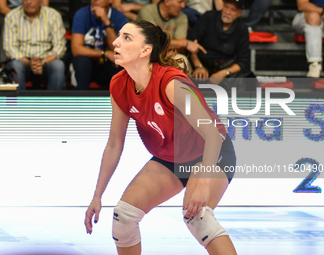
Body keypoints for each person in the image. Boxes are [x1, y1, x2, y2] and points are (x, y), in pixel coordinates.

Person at [84, 20, 237, 255]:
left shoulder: (171, 84)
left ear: (145, 51)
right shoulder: (118, 84)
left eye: (126, 38)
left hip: (209, 153)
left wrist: (203, 183)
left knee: (199, 219)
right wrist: (97, 195)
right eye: (119, 37)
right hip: (170, 157)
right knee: (123, 217)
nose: (115, 42)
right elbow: (115, 144)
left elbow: (213, 135)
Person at [188, 0, 255, 90]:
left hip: (225, 68)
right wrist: (198, 66)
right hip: (202, 65)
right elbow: (190, 43)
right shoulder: (209, 17)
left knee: (249, 80)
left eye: (233, 10)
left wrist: (224, 73)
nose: (227, 12)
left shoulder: (241, 28)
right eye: (226, 7)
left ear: (239, 13)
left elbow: (243, 61)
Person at [3, 0, 66, 90]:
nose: (28, 2)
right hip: (23, 62)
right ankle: (20, 103)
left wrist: (42, 62)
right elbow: (10, 48)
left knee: (58, 65)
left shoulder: (53, 15)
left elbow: (60, 46)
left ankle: (53, 103)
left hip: (46, 62)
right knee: (15, 65)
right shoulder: (12, 16)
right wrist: (28, 63)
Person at [70, 0, 128, 90]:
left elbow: (120, 49)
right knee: (81, 62)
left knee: (121, 65)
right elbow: (76, 49)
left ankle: (118, 102)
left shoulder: (119, 18)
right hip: (88, 63)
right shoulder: (81, 14)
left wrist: (106, 22)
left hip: (108, 65)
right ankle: (80, 101)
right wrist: (105, 53)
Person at [136, 0, 206, 57]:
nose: (183, 6)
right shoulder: (147, 12)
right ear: (167, 1)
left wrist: (179, 44)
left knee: (181, 59)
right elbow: (153, 42)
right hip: (145, 54)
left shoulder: (182, 17)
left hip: (168, 55)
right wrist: (186, 43)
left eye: (184, 2)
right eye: (180, 2)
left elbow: (180, 47)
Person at [0, 0, 49, 64]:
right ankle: (4, 64)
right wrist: (17, 17)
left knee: (43, 21)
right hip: (9, 11)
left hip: (35, 10)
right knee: (6, 24)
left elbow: (45, 5)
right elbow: (2, 8)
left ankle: (40, 61)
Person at [292, 0, 324, 78]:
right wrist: (322, 12)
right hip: (307, 16)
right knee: (313, 16)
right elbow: (302, 5)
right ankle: (314, 64)